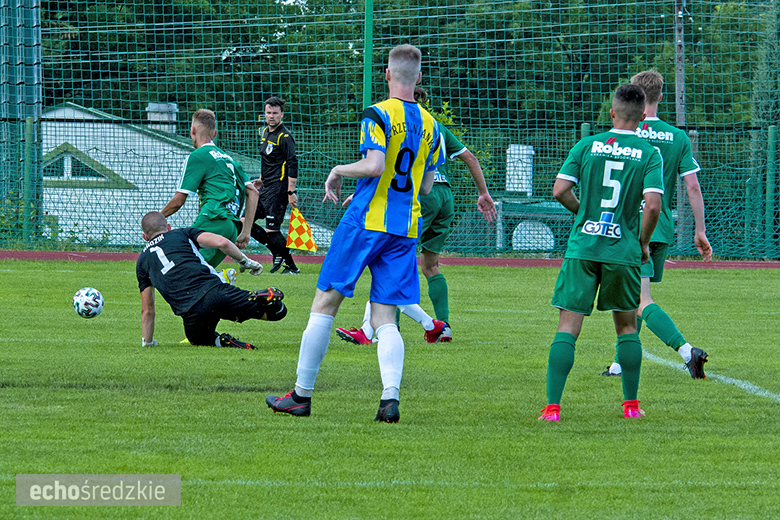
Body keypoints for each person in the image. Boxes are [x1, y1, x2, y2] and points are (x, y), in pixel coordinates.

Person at [265, 44, 444, 423]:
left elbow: (376, 164)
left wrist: (339, 170)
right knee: (385, 315)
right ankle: (389, 399)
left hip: (364, 222)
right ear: (420, 78)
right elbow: (426, 186)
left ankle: (300, 395)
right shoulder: (433, 126)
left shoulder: (376, 113)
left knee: (325, 303)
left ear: (386, 75)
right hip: (403, 228)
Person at [538, 84, 664, 422]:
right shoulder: (649, 153)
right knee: (626, 327)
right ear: (642, 117)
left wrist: (582, 214)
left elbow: (560, 190)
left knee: (567, 326)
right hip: (622, 248)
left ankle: (552, 409)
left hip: (583, 247)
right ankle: (631, 408)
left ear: (611, 112)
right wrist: (642, 241)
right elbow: (653, 206)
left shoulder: (586, 145)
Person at [335, 86, 497, 345]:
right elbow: (470, 158)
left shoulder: (398, 122)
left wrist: (363, 195)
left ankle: (380, 329)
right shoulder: (435, 126)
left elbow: (389, 168)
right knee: (430, 265)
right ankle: (443, 327)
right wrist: (483, 193)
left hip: (420, 196)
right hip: (446, 198)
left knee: (389, 262)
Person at [602, 70, 712, 379]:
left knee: (640, 299)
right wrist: (699, 230)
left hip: (631, 225)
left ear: (633, 96)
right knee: (632, 296)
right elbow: (692, 185)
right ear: (661, 97)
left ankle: (687, 351)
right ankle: (620, 363)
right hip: (661, 225)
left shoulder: (626, 132)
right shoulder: (677, 136)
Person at [137, 212, 286, 350]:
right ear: (168, 227)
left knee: (198, 339)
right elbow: (222, 242)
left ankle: (223, 342)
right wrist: (245, 261)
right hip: (215, 292)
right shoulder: (181, 233)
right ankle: (258, 296)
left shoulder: (142, 262)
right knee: (278, 312)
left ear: (145, 237)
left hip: (191, 312)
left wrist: (148, 342)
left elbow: (147, 310)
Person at [161, 109, 259, 283]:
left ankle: (224, 278)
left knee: (178, 269)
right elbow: (253, 191)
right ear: (215, 133)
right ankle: (223, 281)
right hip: (231, 227)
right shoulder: (230, 159)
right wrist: (245, 231)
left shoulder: (198, 156)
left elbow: (178, 201)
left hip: (212, 219)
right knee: (201, 277)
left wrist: (156, 218)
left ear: (192, 131)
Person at [249, 96, 301, 274]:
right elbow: (269, 161)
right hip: (265, 187)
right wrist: (261, 179)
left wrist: (291, 191)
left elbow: (292, 164)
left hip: (278, 189)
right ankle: (276, 252)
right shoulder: (265, 132)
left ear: (282, 115)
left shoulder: (284, 136)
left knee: (272, 230)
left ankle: (292, 267)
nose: (271, 116)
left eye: (275, 113)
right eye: (268, 113)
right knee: (243, 222)